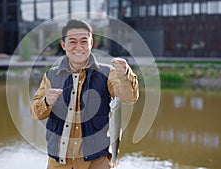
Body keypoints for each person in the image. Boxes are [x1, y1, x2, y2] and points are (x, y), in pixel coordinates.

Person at [30, 19, 139, 169]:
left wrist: (125, 74)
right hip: (59, 164)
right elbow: (36, 113)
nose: (79, 47)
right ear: (63, 45)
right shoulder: (51, 76)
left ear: (91, 43)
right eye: (72, 42)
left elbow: (129, 98)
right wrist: (46, 102)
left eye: (83, 41)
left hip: (97, 162)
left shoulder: (108, 73)